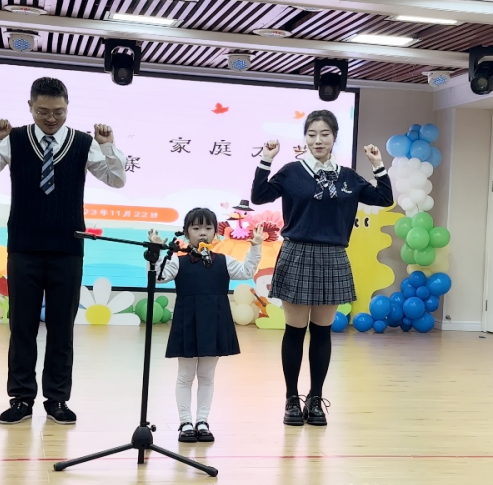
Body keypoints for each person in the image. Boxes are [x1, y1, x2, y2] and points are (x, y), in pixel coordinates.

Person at [0, 77, 127, 425]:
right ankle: (21, 399)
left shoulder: (83, 142)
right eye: (42, 112)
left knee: (61, 329)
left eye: (58, 112)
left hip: (68, 249)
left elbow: (117, 180)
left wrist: (109, 146)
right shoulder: (14, 139)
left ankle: (57, 400)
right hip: (23, 248)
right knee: (21, 327)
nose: (51, 118)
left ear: (67, 108)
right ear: (30, 107)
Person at [250, 109, 393, 427]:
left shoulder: (348, 177)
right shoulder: (292, 171)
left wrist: (378, 165)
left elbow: (384, 198)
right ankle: (291, 399)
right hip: (297, 253)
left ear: (334, 137)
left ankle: (315, 399)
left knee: (322, 331)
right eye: (312, 134)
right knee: (295, 330)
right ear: (305, 137)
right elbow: (258, 197)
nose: (318, 140)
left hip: (333, 256)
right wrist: (266, 159)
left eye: (324, 134)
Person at [148, 208, 262, 442]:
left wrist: (256, 247)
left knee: (207, 376)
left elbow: (247, 271)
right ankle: (185, 422)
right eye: (196, 228)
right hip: (187, 321)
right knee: (185, 375)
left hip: (214, 320)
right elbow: (159, 276)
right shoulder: (178, 261)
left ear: (215, 233)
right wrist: (157, 252)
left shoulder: (224, 261)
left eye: (208, 228)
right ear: (186, 232)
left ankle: (202, 421)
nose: (202, 232)